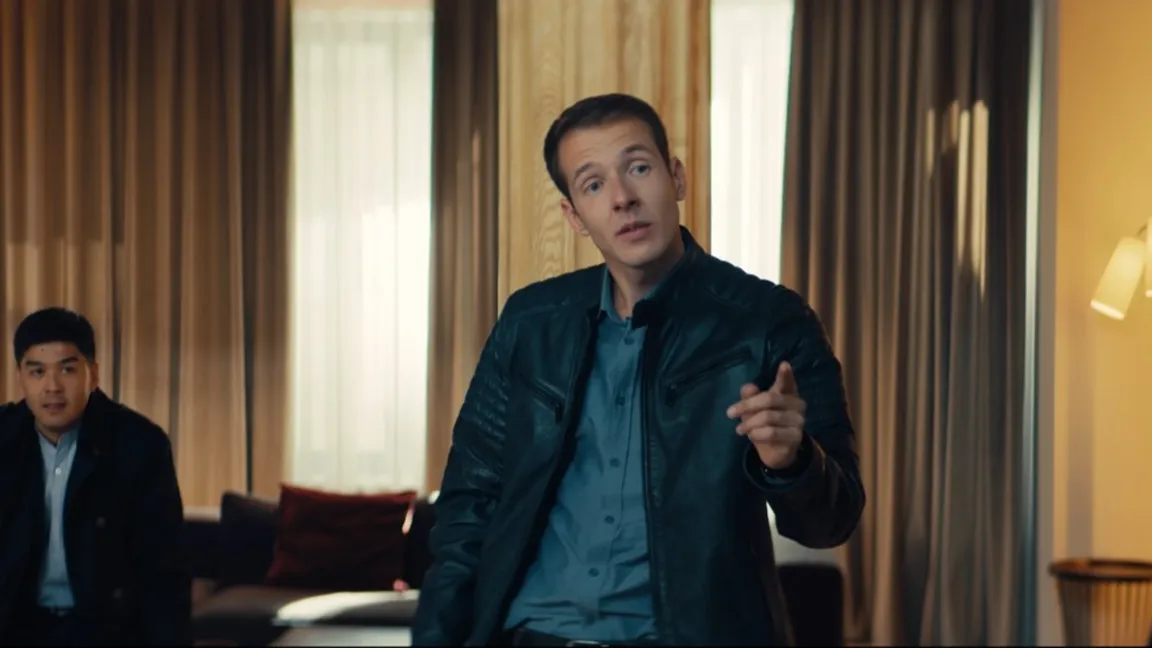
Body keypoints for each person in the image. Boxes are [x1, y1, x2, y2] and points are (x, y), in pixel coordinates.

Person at [412, 93, 865, 647]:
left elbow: (833, 522)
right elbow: (467, 510)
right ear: (574, 216)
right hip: (531, 635)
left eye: (639, 168)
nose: (622, 198)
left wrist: (791, 463)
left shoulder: (770, 321)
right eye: (593, 184)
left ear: (676, 178)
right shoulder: (530, 322)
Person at [0, 307, 191, 646]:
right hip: (18, 625)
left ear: (94, 374)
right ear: (20, 378)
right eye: (37, 371)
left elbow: (163, 572)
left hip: (105, 631)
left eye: (67, 369)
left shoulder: (139, 445)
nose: (52, 387)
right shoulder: (4, 439)